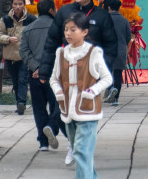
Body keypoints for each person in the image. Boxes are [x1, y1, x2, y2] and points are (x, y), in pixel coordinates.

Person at [50, 12, 113, 177]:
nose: (68, 33)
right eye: (66, 30)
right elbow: (54, 79)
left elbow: (107, 78)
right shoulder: (61, 54)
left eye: (73, 30)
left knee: (80, 151)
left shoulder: (93, 53)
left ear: (85, 31)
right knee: (81, 152)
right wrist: (59, 92)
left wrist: (92, 92)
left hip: (87, 110)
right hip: (67, 110)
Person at [39, 0, 118, 86]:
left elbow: (110, 46)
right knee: (63, 103)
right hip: (66, 71)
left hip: (90, 74)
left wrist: (101, 71)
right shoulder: (64, 12)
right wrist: (44, 71)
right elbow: (51, 42)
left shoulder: (102, 16)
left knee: (87, 103)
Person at [20, 0, 63, 151]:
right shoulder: (58, 28)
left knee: (38, 107)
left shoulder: (28, 29)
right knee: (57, 105)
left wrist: (37, 68)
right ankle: (52, 126)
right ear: (52, 10)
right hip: (54, 74)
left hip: (35, 75)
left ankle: (43, 142)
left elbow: (24, 52)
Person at [0, 0, 37, 115]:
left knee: (23, 80)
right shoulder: (5, 19)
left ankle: (22, 103)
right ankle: (19, 102)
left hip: (25, 57)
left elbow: (35, 34)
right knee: (15, 81)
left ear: (24, 5)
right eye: (15, 4)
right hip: (10, 57)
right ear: (12, 5)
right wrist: (8, 39)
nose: (18, 6)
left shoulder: (31, 19)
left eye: (20, 4)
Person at [103, 0, 131, 106]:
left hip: (107, 52)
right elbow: (128, 36)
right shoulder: (124, 21)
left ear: (108, 7)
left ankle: (111, 89)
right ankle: (116, 99)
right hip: (120, 51)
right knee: (118, 75)